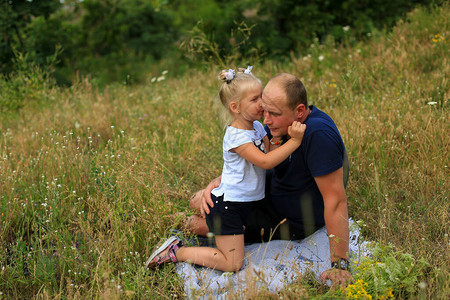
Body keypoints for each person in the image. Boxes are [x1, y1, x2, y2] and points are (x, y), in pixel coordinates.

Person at [187, 73, 351, 287]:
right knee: (199, 199)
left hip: (287, 218)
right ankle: (197, 210)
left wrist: (340, 264)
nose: (266, 120)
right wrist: (217, 183)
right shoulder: (279, 124)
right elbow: (251, 158)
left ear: (299, 111)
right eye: (264, 109)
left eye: (273, 113)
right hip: (263, 193)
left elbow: (336, 200)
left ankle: (177, 230)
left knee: (202, 222)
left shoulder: (317, 134)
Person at [145, 67, 306, 272]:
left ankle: (188, 223)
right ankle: (177, 252)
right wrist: (294, 142)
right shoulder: (236, 137)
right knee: (232, 264)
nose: (262, 104)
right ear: (235, 107)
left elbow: (270, 149)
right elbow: (266, 162)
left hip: (243, 205)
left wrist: (276, 137)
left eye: (261, 97)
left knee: (233, 249)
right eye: (255, 99)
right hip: (228, 207)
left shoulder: (256, 127)